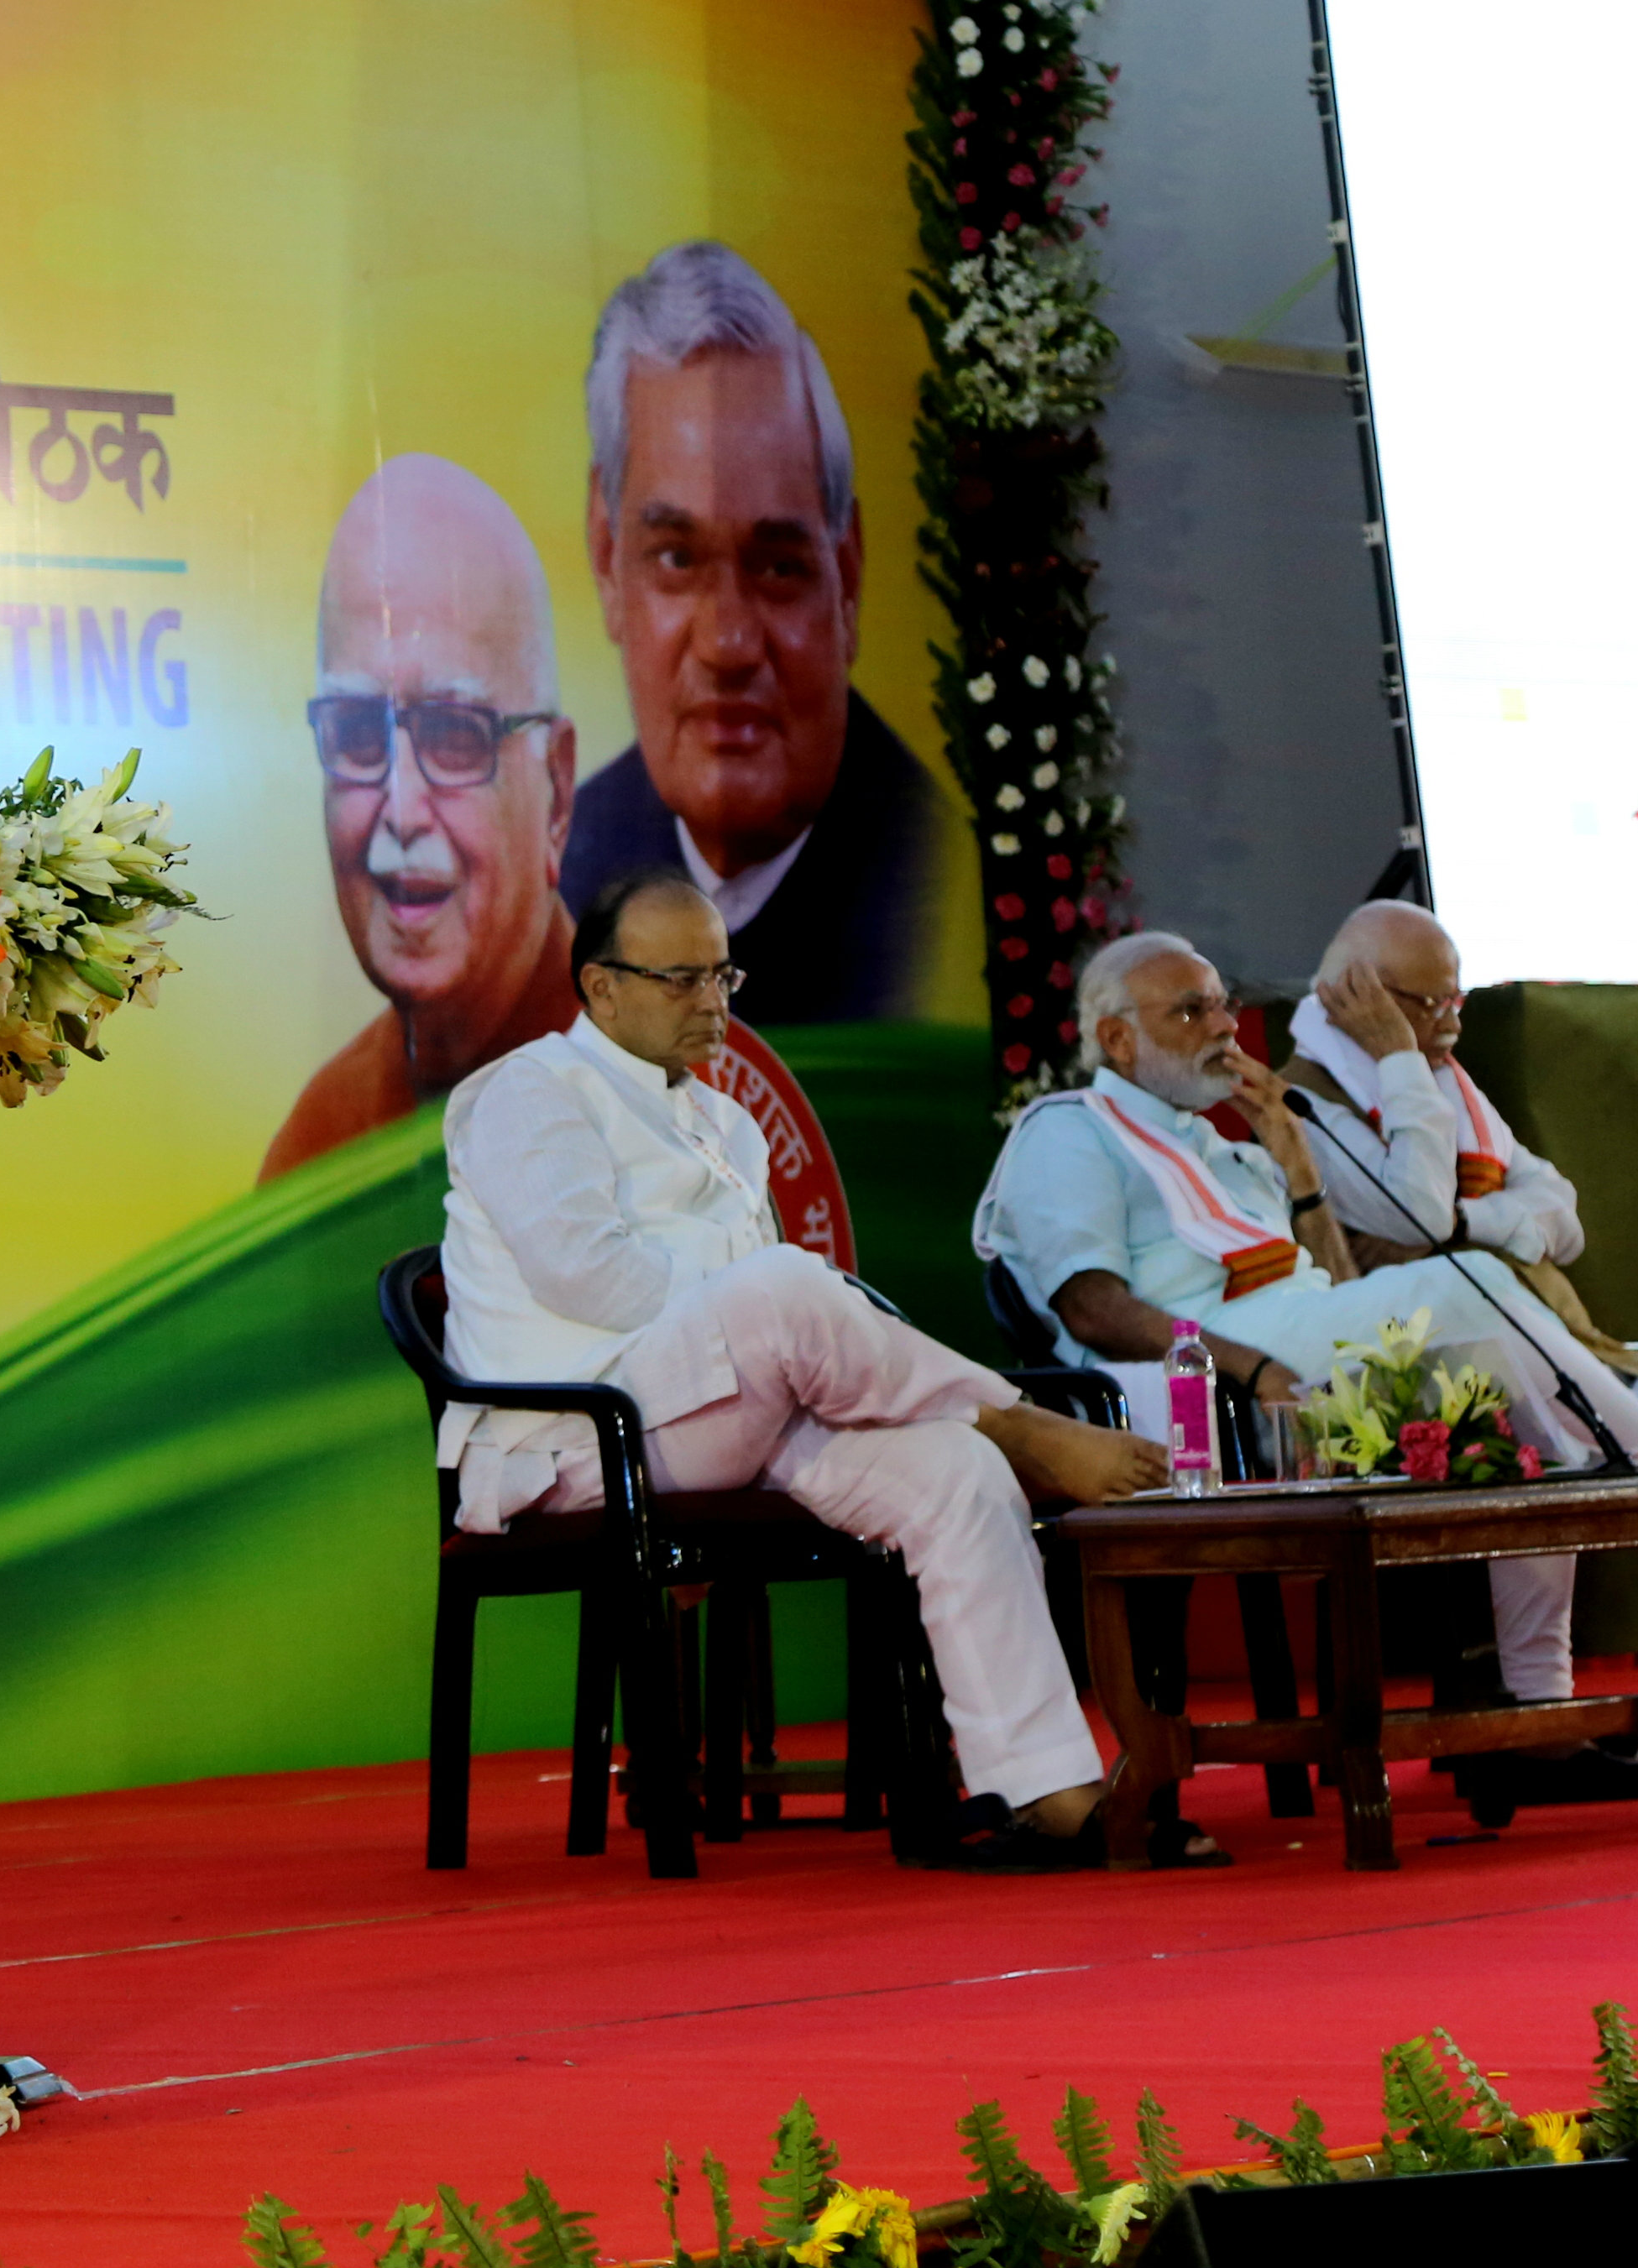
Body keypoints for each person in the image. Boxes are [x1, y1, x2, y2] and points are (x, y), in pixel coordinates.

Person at [440, 869, 1196, 1872]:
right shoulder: (526, 1091)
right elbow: (597, 1280)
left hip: (723, 1413)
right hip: (576, 1439)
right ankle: (1012, 1421)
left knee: (950, 1474)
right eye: (680, 978)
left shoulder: (727, 1123)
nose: (712, 1002)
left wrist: (765, 1297)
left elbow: (746, 1310)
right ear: (599, 986)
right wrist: (760, 1288)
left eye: (723, 975)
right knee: (790, 1287)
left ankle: (1043, 1793)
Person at [974, 931, 1638, 1806]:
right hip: (1198, 1386)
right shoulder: (1067, 1132)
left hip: (1301, 1346)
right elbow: (1092, 1307)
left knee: (1524, 1423)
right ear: (1116, 1040)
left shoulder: (1228, 1146)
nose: (1222, 1025)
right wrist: (1251, 1366)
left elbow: (1335, 1289)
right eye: (1189, 1009)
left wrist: (1295, 1168)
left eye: (1222, 1001)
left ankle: (1540, 1720)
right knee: (1479, 1283)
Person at [1284, 899, 1638, 1758]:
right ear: (1349, 994)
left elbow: (1559, 1213)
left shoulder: (1452, 1090)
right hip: (1431, 1379)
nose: (1446, 1024)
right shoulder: (1304, 1108)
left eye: (1455, 1002)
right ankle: (1628, 1708)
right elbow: (1416, 1208)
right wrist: (1404, 1070)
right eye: (1423, 1003)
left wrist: (1474, 1219)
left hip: (1560, 1350)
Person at [557, 242, 945, 1027]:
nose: (728, 644)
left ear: (849, 578)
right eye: (675, 558)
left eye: (776, 567)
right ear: (606, 558)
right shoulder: (562, 880)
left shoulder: (937, 884)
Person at [262, 455, 581, 1181]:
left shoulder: (661, 1099)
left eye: (453, 734)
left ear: (557, 791)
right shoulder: (321, 1147)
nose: (401, 811)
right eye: (358, 735)